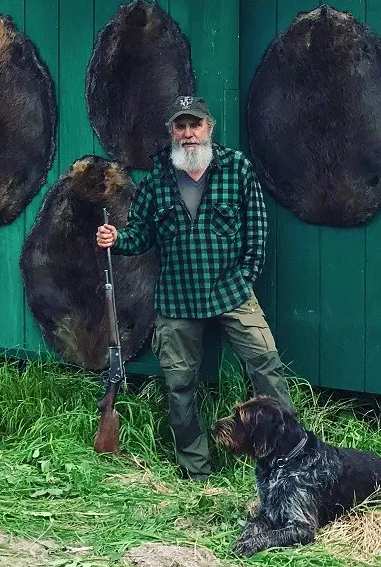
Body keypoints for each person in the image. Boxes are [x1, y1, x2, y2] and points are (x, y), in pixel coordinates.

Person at [96, 95, 292, 481]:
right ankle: (196, 472)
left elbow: (257, 231)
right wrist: (116, 237)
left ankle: (287, 458)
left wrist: (245, 277)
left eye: (195, 125)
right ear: (172, 132)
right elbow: (140, 236)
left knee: (267, 367)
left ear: (209, 128)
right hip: (177, 299)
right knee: (180, 387)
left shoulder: (237, 169)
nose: (188, 134)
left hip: (232, 293)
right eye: (180, 127)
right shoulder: (156, 181)